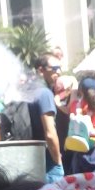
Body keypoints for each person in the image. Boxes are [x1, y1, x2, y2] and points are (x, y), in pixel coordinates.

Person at [29, 55, 64, 183]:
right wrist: (58, 161)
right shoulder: (45, 93)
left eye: (60, 68)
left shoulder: (27, 91)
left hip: (28, 159)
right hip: (47, 162)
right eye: (54, 68)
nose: (58, 72)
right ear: (41, 70)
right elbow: (50, 133)